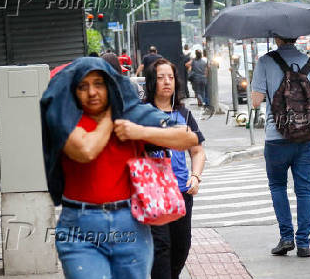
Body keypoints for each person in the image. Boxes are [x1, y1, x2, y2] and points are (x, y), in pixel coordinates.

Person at [40, 57, 199, 279]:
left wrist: (140, 132)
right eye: (83, 86)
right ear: (73, 92)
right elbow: (86, 150)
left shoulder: (134, 117)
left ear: (111, 86)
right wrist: (111, 115)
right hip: (80, 227)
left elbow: (188, 138)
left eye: (98, 84)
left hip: (130, 224)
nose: (92, 92)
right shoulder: (67, 120)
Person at [251, 36, 310, 258]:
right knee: (304, 190)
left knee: (277, 187)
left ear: (276, 37)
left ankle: (286, 238)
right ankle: (303, 243)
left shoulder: (265, 62)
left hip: (276, 137)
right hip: (307, 137)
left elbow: (256, 101)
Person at [144, 58, 206, 279]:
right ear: (152, 82)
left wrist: (196, 176)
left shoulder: (184, 114)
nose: (166, 82)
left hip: (181, 192)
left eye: (170, 77)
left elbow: (197, 151)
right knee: (161, 248)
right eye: (160, 78)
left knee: (182, 247)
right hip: (153, 194)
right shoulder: (141, 115)